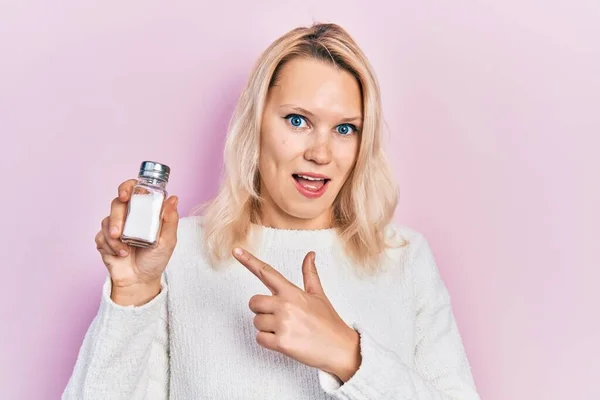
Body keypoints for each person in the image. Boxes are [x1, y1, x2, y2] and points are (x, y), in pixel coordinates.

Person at [63, 23, 480, 399]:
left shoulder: (403, 258)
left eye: (344, 128)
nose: (320, 153)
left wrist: (348, 355)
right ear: (256, 124)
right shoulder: (177, 254)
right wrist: (133, 292)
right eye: (297, 121)